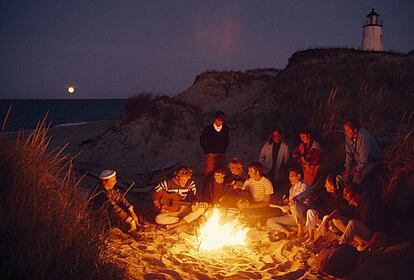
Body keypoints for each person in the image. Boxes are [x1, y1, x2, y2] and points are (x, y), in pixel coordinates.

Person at [333, 184, 387, 252]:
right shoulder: (359, 204)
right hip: (366, 234)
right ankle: (360, 243)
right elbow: (341, 211)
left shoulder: (371, 204)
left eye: (350, 200)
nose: (350, 203)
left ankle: (338, 251)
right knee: (337, 220)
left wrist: (371, 247)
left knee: (352, 224)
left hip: (375, 236)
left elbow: (380, 229)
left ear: (356, 194)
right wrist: (327, 219)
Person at [303, 175, 351, 244]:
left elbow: (338, 211)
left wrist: (328, 218)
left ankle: (315, 242)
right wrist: (310, 201)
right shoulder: (327, 195)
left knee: (326, 217)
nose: (325, 185)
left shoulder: (341, 197)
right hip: (327, 223)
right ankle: (311, 237)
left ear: (332, 185)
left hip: (337, 225)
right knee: (310, 212)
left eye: (326, 184)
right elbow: (321, 208)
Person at [266, 167, 311, 239]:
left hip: (304, 216)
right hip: (294, 217)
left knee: (295, 202)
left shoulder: (305, 186)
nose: (290, 178)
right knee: (270, 221)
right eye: (289, 176)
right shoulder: (291, 190)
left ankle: (300, 230)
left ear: (298, 176)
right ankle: (288, 232)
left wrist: (293, 200)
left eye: (291, 176)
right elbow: (291, 204)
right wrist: (287, 209)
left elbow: (300, 198)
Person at [237, 161, 282, 225]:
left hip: (261, 207)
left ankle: (256, 219)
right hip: (251, 207)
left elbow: (266, 203)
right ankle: (256, 219)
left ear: (257, 172)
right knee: (246, 211)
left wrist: (250, 206)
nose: (248, 173)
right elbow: (242, 196)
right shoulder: (248, 182)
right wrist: (240, 204)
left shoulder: (266, 182)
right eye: (249, 171)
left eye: (251, 171)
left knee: (277, 212)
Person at [342, 119, 382, 186]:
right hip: (359, 160)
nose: (345, 132)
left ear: (355, 130)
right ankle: (343, 192)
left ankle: (357, 194)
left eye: (347, 130)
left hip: (371, 160)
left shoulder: (363, 137)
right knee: (346, 177)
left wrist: (358, 170)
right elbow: (348, 153)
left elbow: (364, 158)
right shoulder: (348, 136)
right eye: (345, 130)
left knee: (357, 179)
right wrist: (347, 168)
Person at [200, 111, 230, 177]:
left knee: (221, 173)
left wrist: (223, 150)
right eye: (218, 119)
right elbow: (202, 140)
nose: (220, 122)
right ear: (215, 119)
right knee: (209, 173)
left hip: (221, 154)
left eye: (222, 120)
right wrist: (207, 151)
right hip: (211, 155)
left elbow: (227, 140)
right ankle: (208, 186)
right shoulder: (208, 129)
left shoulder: (225, 129)